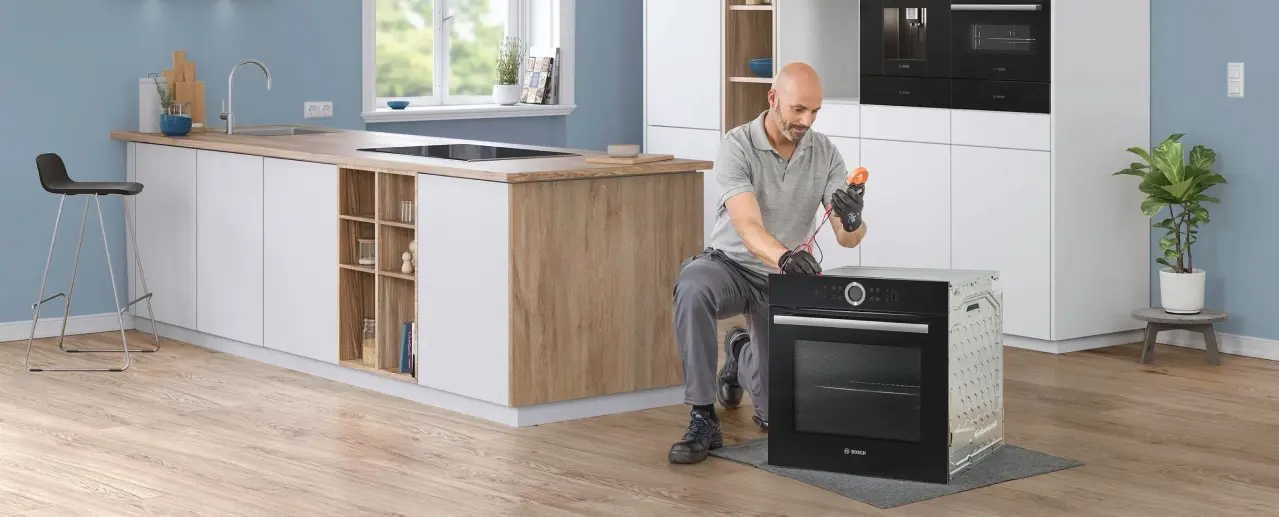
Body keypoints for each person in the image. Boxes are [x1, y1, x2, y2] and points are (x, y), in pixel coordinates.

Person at [668, 62, 867, 464]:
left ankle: (739, 352)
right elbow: (748, 226)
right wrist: (786, 256)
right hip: (730, 266)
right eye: (798, 110)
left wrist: (852, 216)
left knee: (776, 416)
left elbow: (847, 239)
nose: (806, 121)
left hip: (782, 279)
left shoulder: (824, 153)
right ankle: (703, 417)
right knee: (692, 287)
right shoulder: (737, 145)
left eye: (814, 112)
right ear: (773, 99)